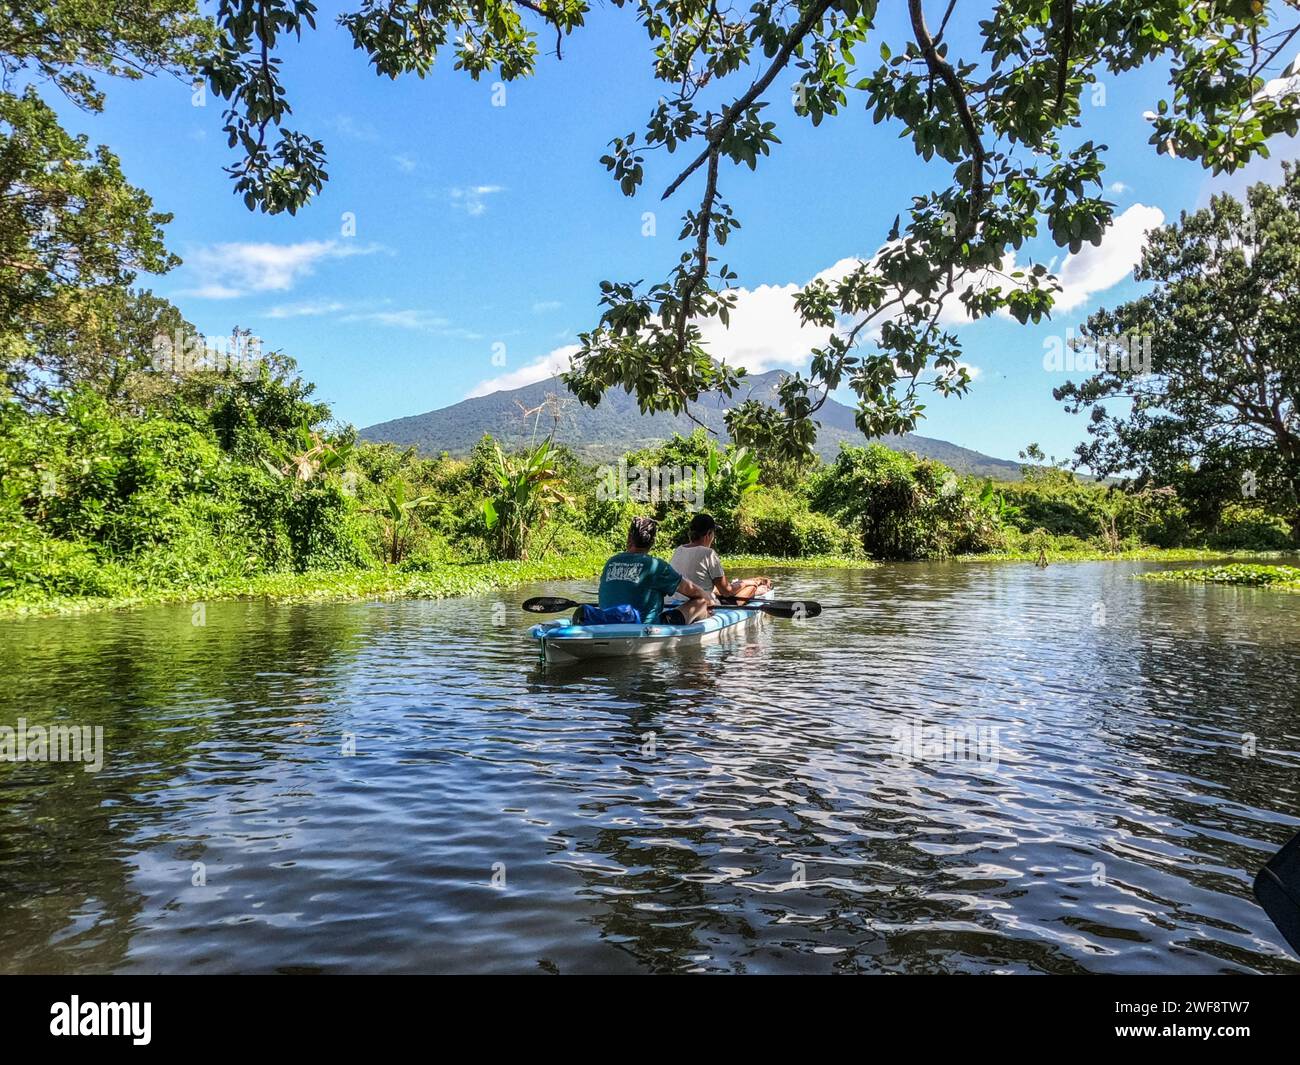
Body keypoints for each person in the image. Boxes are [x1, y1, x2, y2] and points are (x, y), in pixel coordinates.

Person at [596, 516, 711, 624]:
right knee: (700, 602)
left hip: (608, 621)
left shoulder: (611, 562)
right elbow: (693, 591)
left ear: (629, 538)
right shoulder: (656, 566)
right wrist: (709, 600)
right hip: (646, 626)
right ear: (652, 542)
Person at [669, 513, 771, 613]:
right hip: (700, 606)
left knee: (728, 589)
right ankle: (757, 588)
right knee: (751, 587)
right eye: (713, 534)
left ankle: (755, 585)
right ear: (709, 534)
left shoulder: (679, 550)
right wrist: (749, 583)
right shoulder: (708, 553)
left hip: (675, 604)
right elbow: (727, 591)